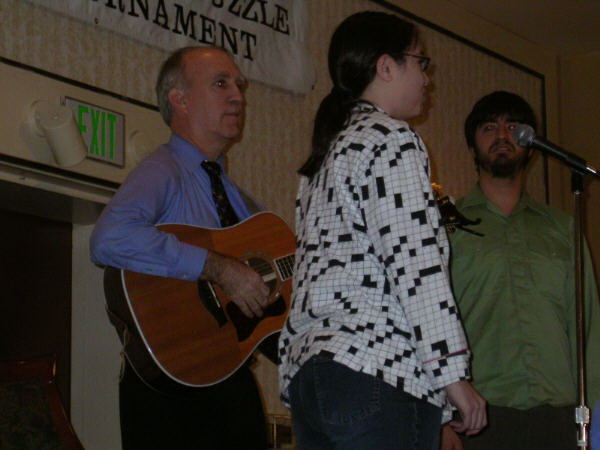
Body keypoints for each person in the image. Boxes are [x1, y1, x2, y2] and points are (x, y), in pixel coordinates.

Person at [278, 11, 486, 450]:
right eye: (420, 62)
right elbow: (416, 265)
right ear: (386, 66)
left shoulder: (325, 156)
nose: (427, 79)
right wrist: (453, 377)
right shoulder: (392, 139)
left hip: (313, 376)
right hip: (377, 371)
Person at [90, 46, 272, 450]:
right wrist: (219, 268)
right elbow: (109, 238)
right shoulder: (162, 170)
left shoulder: (241, 202)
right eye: (221, 83)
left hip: (228, 374)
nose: (238, 96)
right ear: (180, 99)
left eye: (238, 85)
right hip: (168, 387)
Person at [442, 91, 600, 449]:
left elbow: (588, 324)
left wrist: (597, 417)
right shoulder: (446, 226)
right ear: (472, 146)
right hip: (476, 419)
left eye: (513, 126)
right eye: (488, 127)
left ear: (530, 145)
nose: (502, 135)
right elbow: (425, 323)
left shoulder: (563, 228)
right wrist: (439, 420)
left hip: (560, 416)